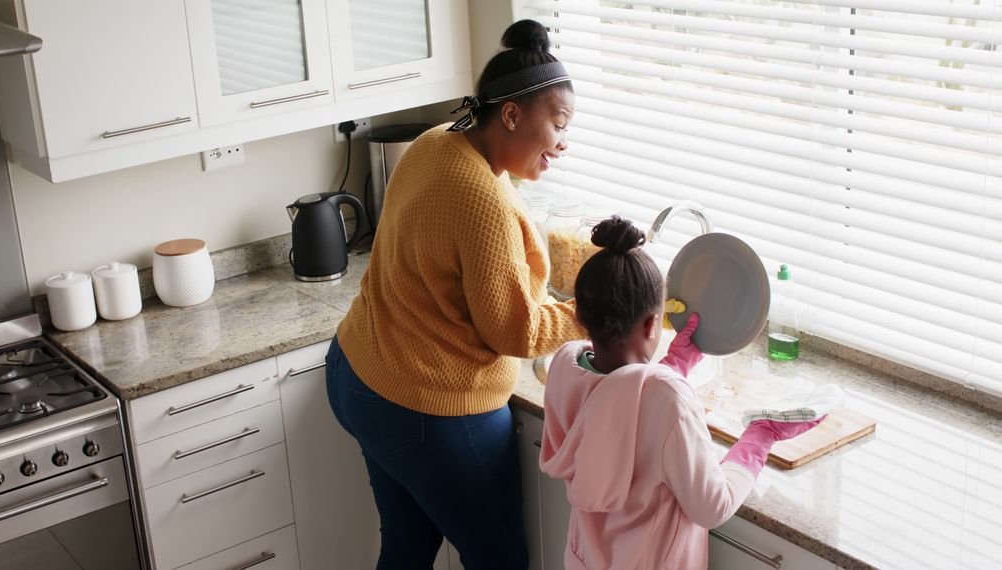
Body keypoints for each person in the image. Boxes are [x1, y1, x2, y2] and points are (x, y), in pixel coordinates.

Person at [325, 19, 585, 570]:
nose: (564, 142)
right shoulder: (481, 200)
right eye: (558, 125)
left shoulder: (433, 142)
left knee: (406, 547)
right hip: (427, 408)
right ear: (511, 115)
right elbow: (513, 331)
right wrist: (589, 315)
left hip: (359, 373)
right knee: (499, 562)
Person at [539, 216, 823, 570]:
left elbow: (615, 401)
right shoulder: (666, 398)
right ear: (652, 323)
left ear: (581, 316)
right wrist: (759, 439)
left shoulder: (567, 367)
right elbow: (712, 506)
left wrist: (675, 363)